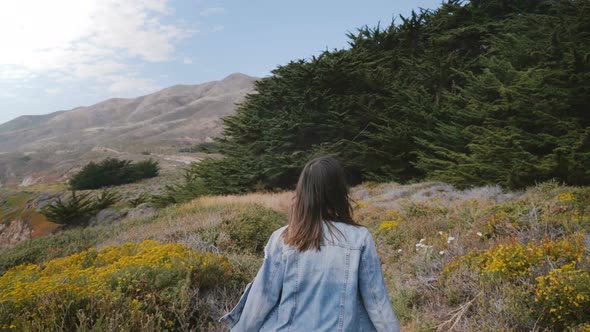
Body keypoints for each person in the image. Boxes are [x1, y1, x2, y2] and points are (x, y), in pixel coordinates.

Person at [220, 156, 400, 331]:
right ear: (339, 191)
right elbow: (377, 302)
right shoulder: (359, 238)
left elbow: (262, 298)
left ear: (302, 191)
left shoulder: (283, 238)